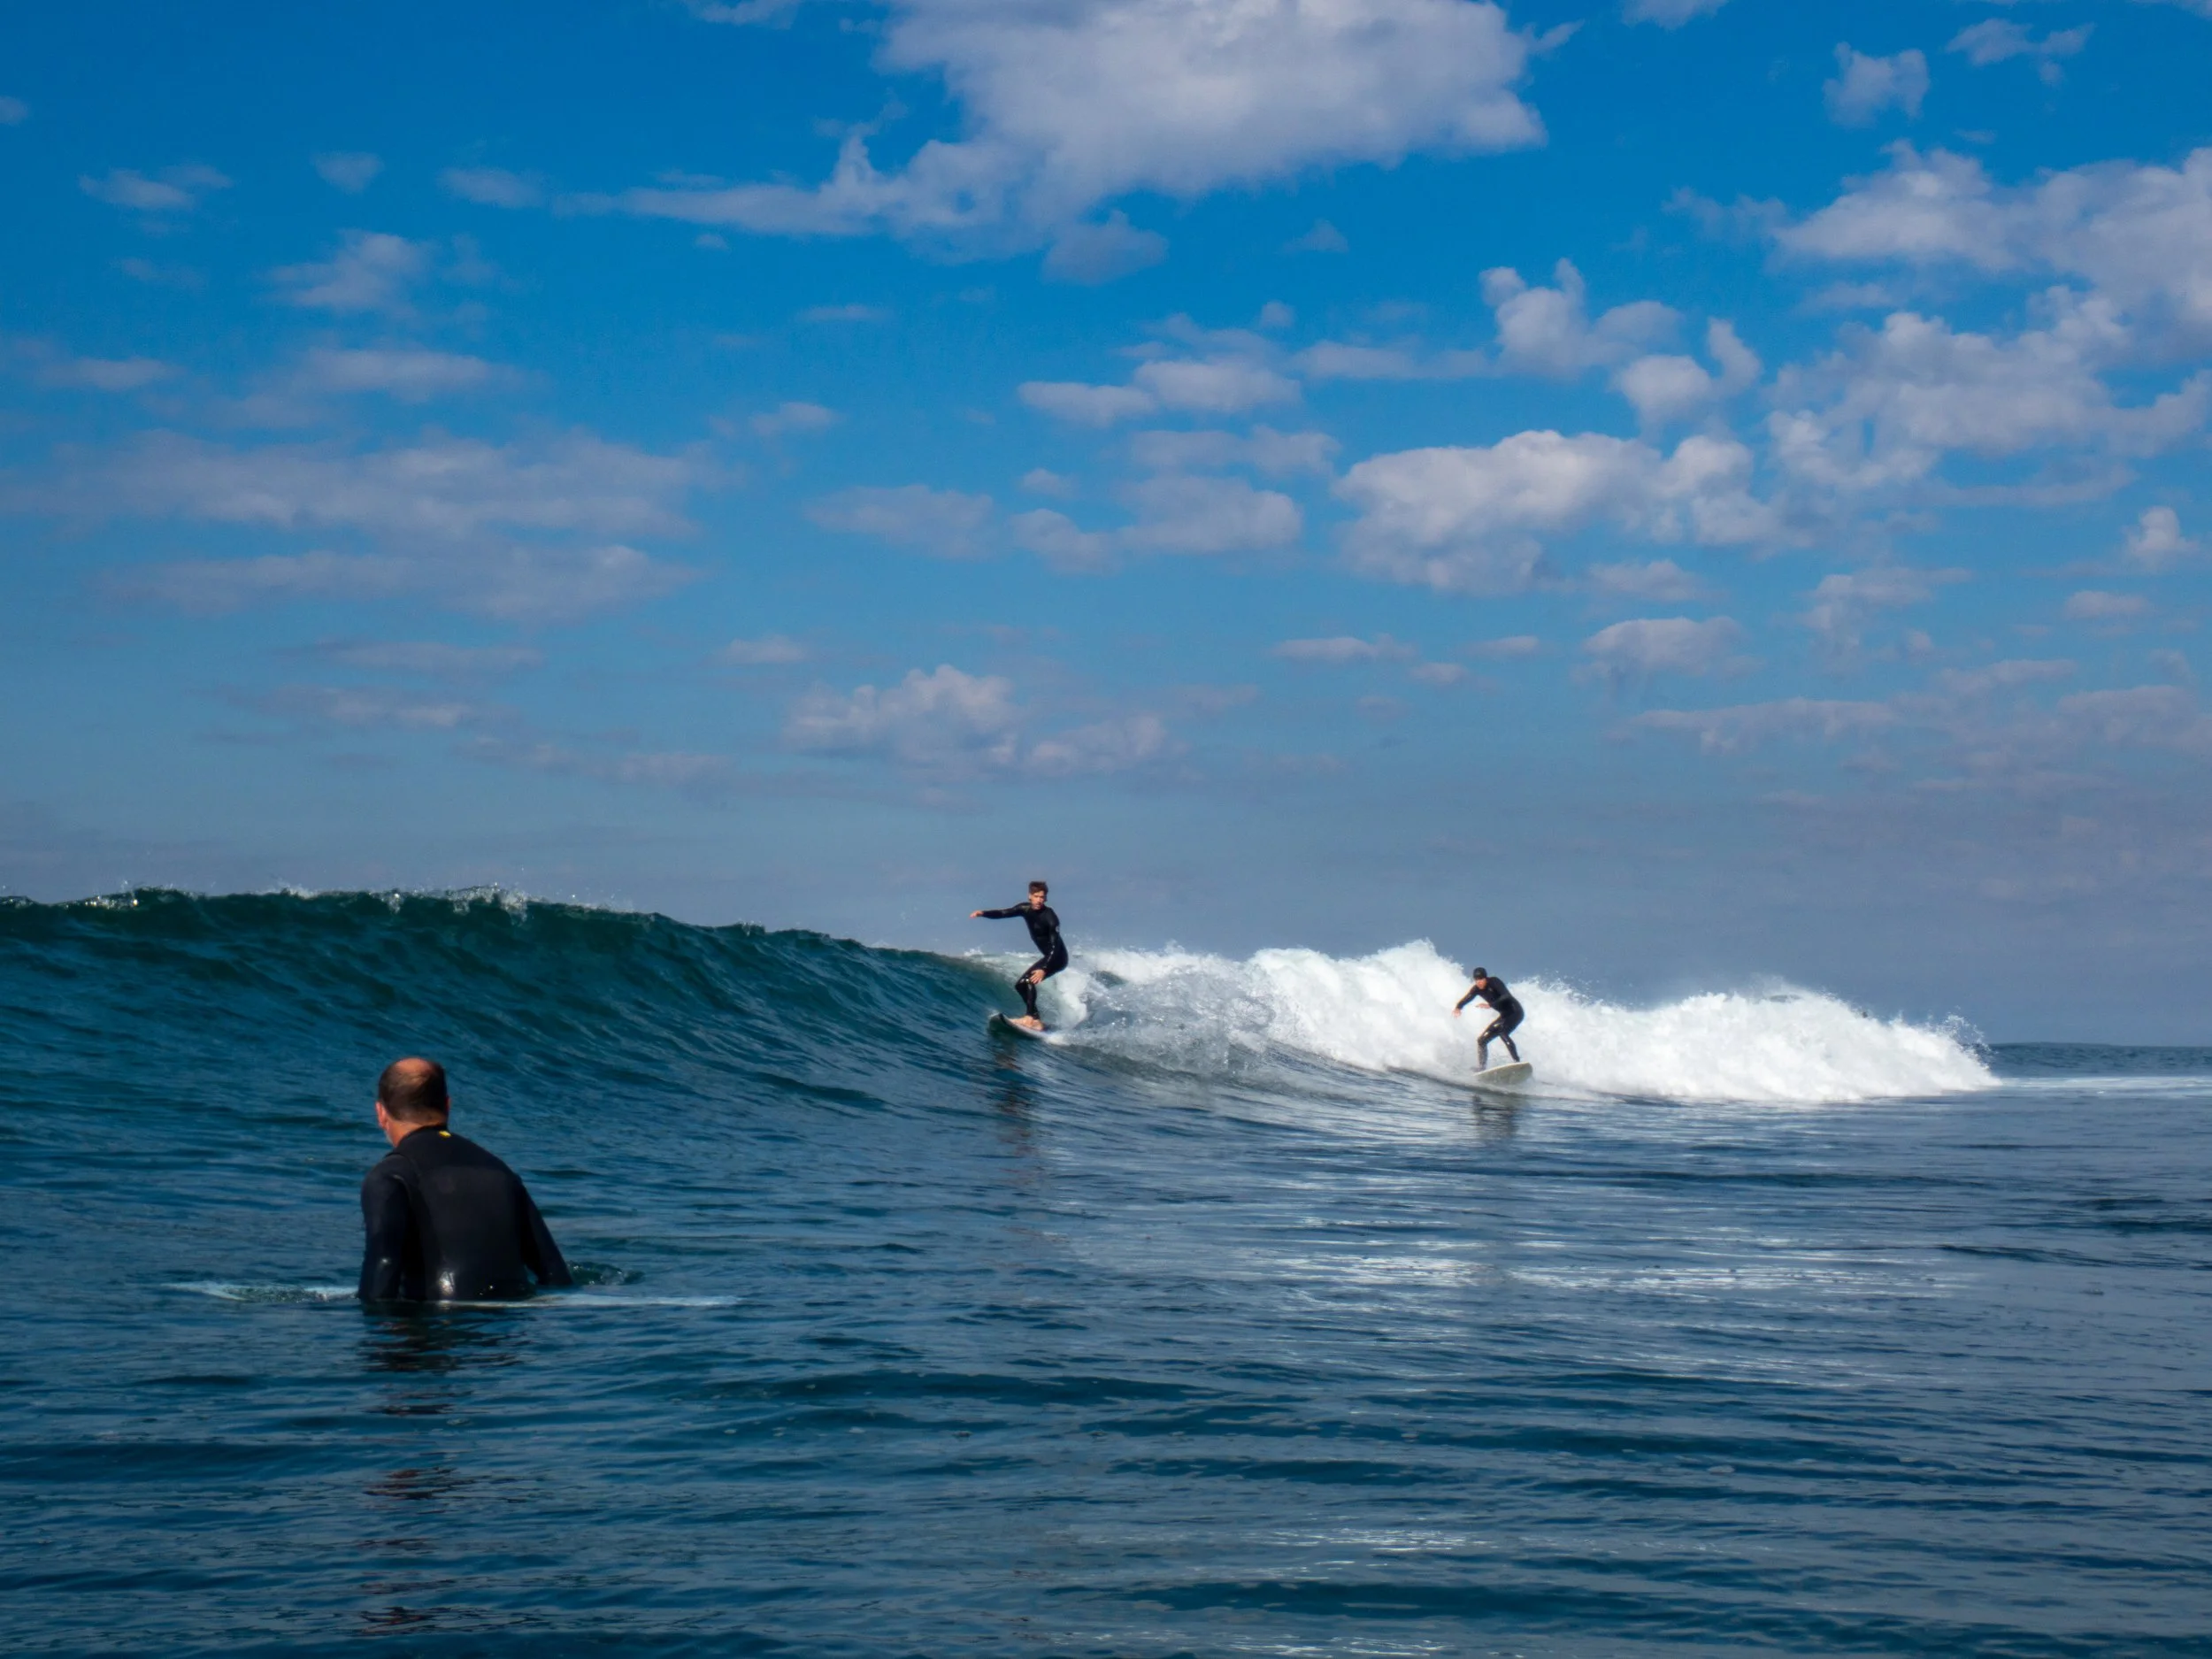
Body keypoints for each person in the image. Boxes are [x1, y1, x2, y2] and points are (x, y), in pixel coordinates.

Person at [358, 1057, 572, 1304]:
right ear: (447, 1106)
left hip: (439, 1326)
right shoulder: (499, 1170)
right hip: (507, 1333)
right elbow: (554, 1272)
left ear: (380, 1113)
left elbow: (383, 1266)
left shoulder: (390, 1175)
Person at [971, 879, 1067, 1031]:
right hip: (1048, 957)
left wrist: (1044, 969)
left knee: (1028, 981)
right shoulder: (1025, 909)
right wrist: (983, 913)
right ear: (1030, 896)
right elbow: (1004, 913)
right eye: (1036, 896)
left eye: (1042, 897)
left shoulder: (1050, 917)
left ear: (1046, 898)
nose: (1039, 900)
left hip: (1058, 958)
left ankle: (1030, 1018)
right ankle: (1036, 1020)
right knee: (1020, 985)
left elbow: (1055, 947)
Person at [1453, 967, 1525, 1069]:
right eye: (1476, 980)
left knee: (1502, 1032)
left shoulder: (1494, 982)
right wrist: (1458, 1007)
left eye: (1481, 979)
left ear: (1485, 978)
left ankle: (1517, 1062)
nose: (1479, 982)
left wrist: (1490, 1005)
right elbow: (1468, 997)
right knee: (1482, 1040)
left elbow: (1507, 996)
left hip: (1516, 1012)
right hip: (1504, 1016)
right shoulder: (1476, 989)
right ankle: (1482, 1068)